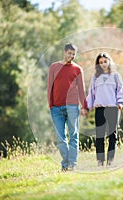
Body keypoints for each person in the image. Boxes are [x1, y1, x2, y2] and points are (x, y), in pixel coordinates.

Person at [47, 43, 88, 172]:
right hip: (56, 108)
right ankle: (65, 165)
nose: (71, 56)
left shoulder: (77, 69)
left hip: (72, 106)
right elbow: (50, 87)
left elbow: (81, 89)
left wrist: (84, 106)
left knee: (73, 136)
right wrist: (51, 104)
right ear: (64, 52)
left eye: (73, 54)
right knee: (61, 138)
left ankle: (72, 164)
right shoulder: (54, 67)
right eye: (69, 53)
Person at [86, 52, 123, 167]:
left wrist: (120, 103)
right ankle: (100, 162)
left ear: (109, 62)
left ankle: (110, 161)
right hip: (100, 109)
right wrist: (87, 107)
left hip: (113, 109)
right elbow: (91, 93)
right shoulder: (95, 78)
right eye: (100, 62)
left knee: (112, 136)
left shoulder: (116, 76)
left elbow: (120, 90)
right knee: (99, 136)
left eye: (105, 61)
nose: (103, 64)